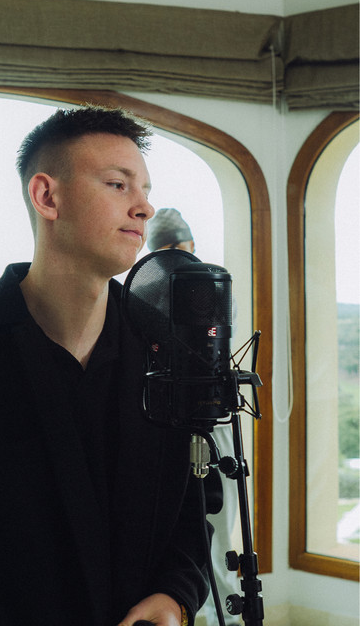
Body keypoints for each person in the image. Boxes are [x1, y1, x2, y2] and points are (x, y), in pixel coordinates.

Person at [0, 107, 212, 626]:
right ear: (47, 196)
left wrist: (175, 597)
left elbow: (193, 512)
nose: (145, 207)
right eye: (118, 184)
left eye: (145, 189)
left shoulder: (165, 352)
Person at [147, 208, 242, 626]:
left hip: (213, 429)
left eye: (184, 250)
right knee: (181, 536)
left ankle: (226, 617)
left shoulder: (214, 295)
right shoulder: (144, 300)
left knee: (219, 534)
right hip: (165, 427)